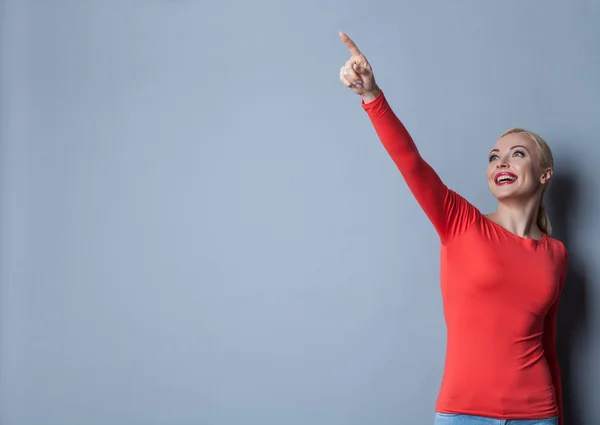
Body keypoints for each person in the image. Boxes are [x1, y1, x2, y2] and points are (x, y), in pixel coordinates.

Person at [338, 32, 568, 425]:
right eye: (494, 157)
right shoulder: (460, 221)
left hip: (538, 414)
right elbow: (411, 162)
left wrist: (559, 417)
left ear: (544, 174)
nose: (502, 163)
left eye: (517, 154)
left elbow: (549, 345)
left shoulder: (557, 254)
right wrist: (372, 96)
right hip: (463, 413)